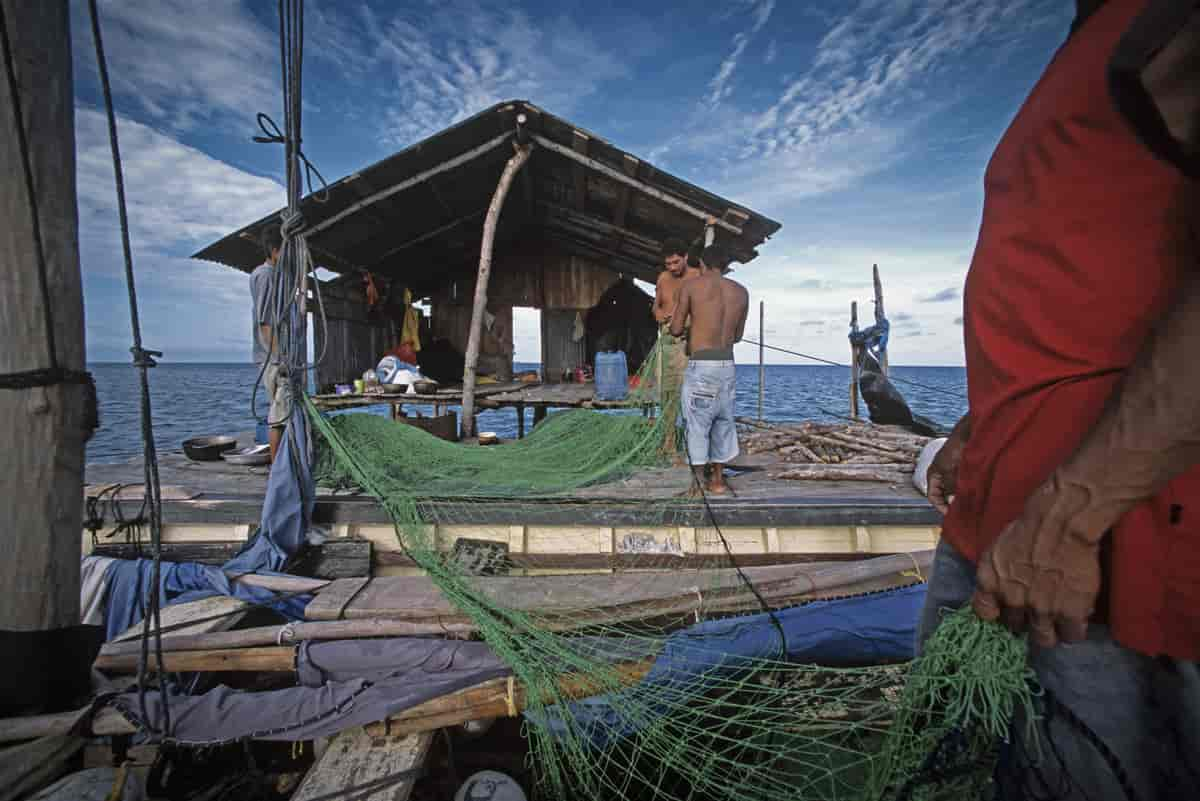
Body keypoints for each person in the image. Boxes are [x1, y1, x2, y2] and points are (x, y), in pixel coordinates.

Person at [920, 2, 1199, 798]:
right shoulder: (1090, 39)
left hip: (1100, 559)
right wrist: (985, 417)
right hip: (996, 523)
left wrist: (1075, 508)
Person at [670, 243, 748, 495]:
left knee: (697, 423)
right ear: (726, 266)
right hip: (727, 364)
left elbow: (676, 329)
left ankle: (696, 485)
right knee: (723, 422)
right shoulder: (741, 292)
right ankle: (717, 481)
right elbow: (737, 336)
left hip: (702, 365)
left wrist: (694, 328)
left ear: (701, 264)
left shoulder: (691, 286)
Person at [250, 227, 290, 464]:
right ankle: (278, 470)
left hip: (276, 355)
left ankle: (283, 464)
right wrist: (280, 357)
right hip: (272, 358)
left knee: (284, 413)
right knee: (279, 416)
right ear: (275, 251)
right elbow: (266, 324)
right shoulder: (265, 276)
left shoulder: (276, 274)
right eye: (285, 250)